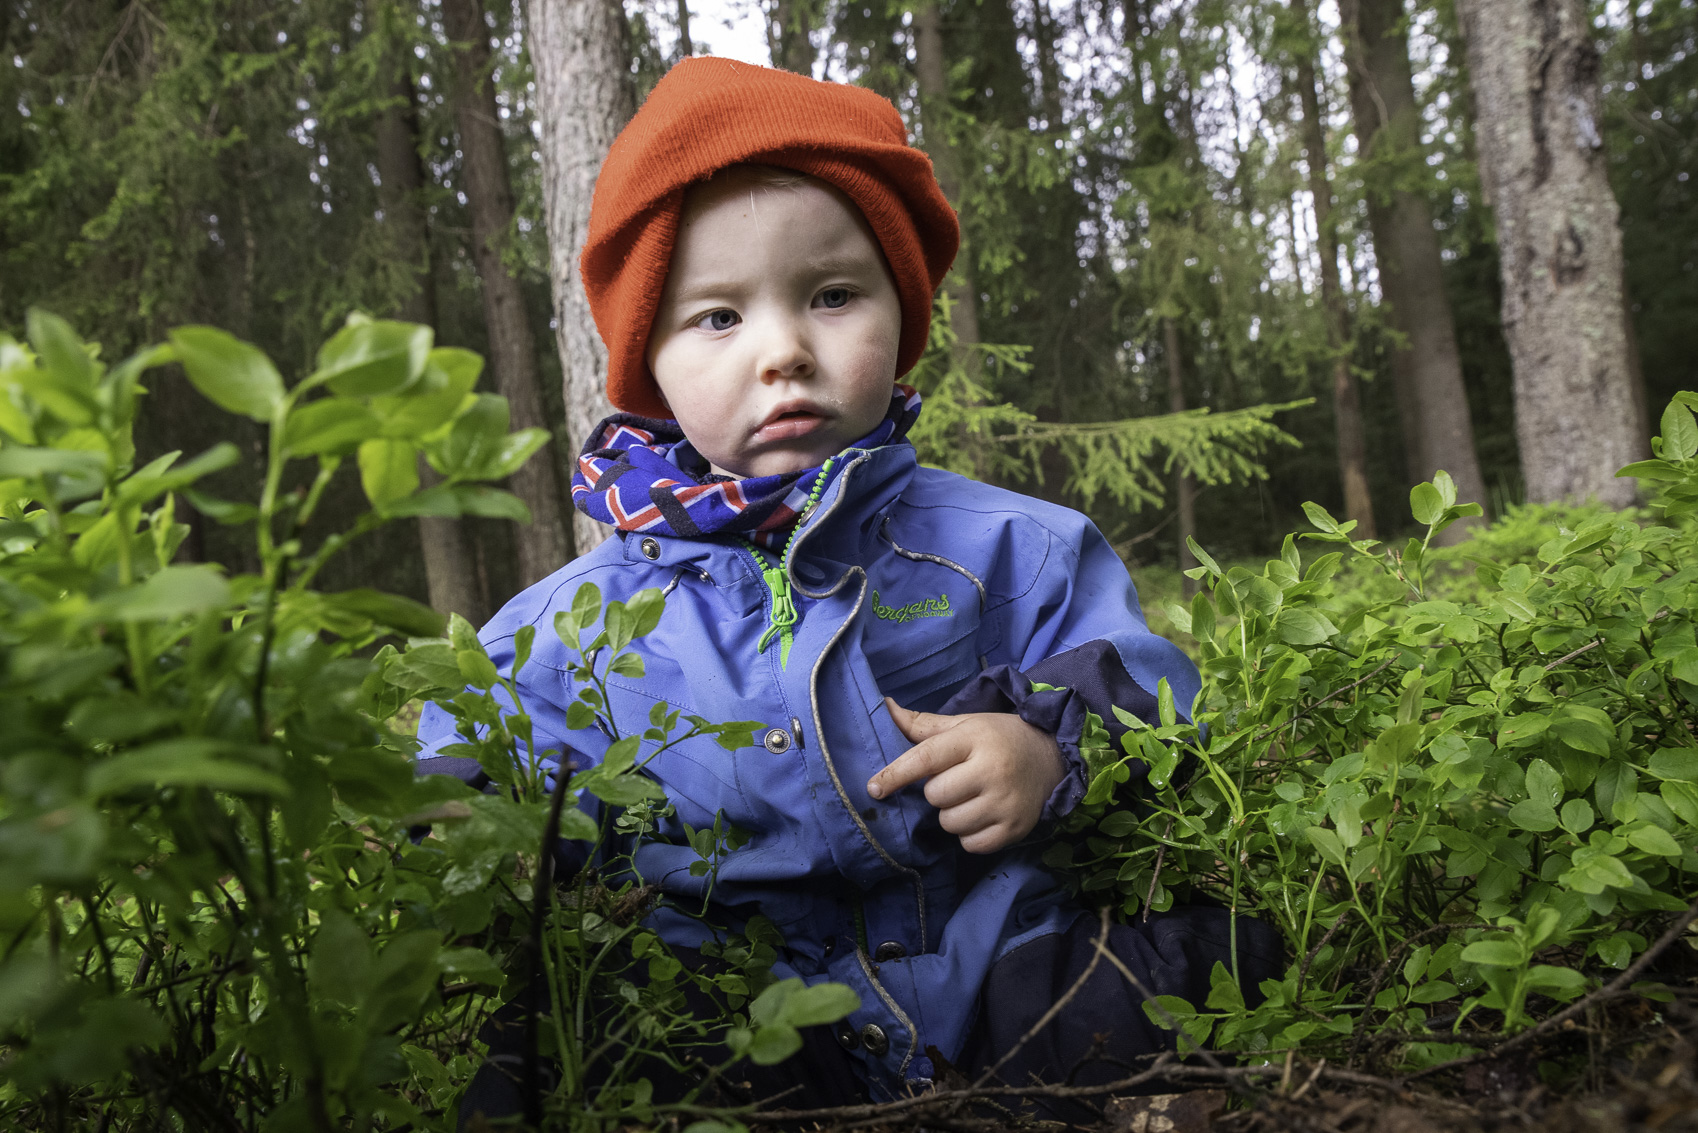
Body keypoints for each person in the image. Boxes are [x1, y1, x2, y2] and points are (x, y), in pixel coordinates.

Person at [416, 56, 1282, 1118]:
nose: (783, 349)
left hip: (988, 966)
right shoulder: (569, 627)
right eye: (718, 317)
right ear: (649, 358)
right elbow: (458, 781)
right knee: (563, 1061)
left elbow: (1146, 687)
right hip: (734, 1009)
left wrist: (1048, 748)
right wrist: (463, 835)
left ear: (899, 310)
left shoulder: (1013, 546)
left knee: (1207, 965)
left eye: (831, 295)